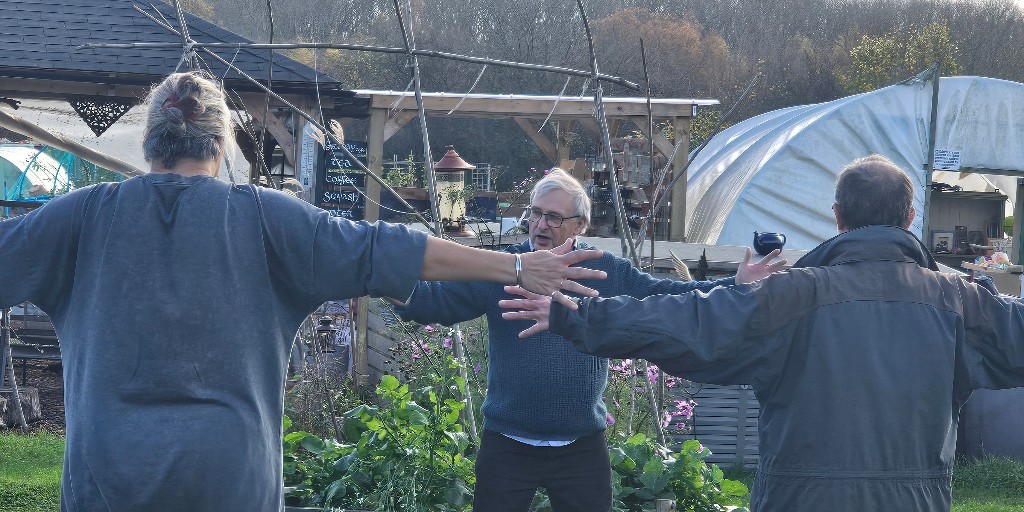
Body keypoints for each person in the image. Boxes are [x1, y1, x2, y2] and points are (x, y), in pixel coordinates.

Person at [0, 71, 609, 512]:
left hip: (109, 477)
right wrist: (514, 267)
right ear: (220, 147)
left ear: (148, 143)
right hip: (230, 477)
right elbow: (382, 249)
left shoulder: (79, 218)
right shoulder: (267, 218)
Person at [500, 154, 1024, 512]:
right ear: (910, 218)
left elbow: (687, 322)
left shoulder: (791, 295)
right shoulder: (960, 301)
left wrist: (573, 316)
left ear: (837, 217)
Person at [392, 169, 784, 511]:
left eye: (554, 217)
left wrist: (735, 285)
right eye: (536, 213)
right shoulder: (505, 268)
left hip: (580, 445)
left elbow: (667, 297)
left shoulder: (602, 270)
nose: (541, 225)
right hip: (507, 443)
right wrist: (383, 275)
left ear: (580, 226)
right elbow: (436, 302)